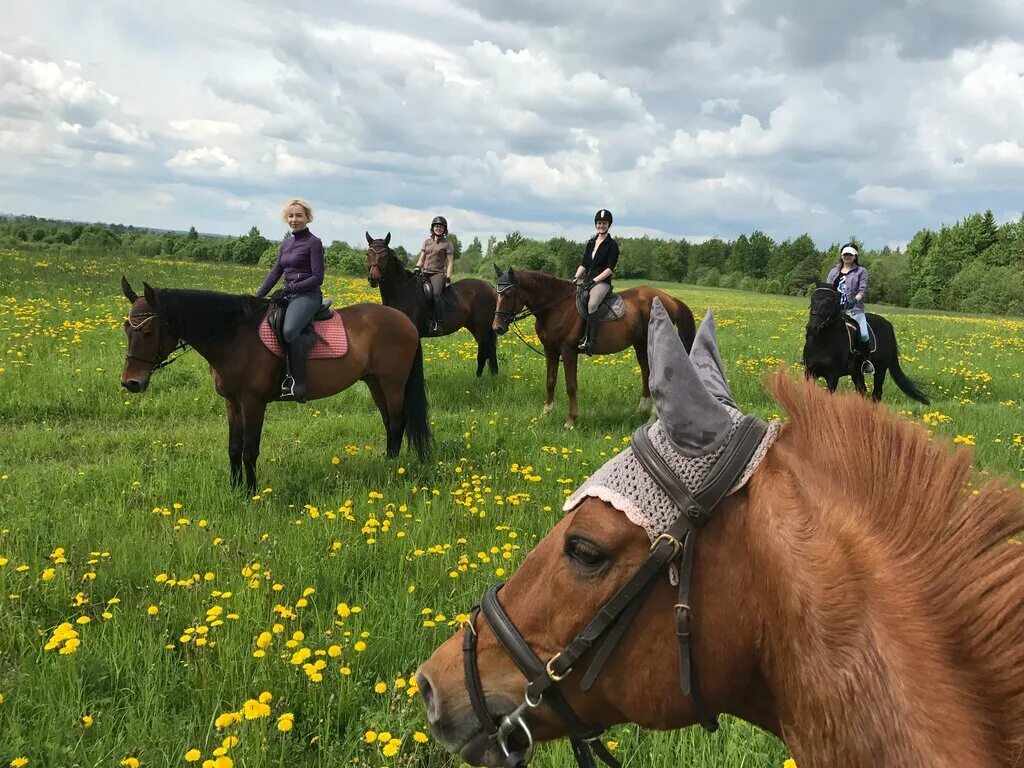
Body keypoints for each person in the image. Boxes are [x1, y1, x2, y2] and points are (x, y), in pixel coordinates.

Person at [254, 198, 325, 401]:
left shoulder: (314, 243)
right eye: (291, 216)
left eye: (299, 215)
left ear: (307, 218)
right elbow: (276, 272)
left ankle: (299, 385)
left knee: (289, 330)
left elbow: (317, 277)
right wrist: (256, 297)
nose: (294, 219)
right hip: (289, 294)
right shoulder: (286, 243)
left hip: (308, 295)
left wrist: (290, 289)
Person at [572, 209, 619, 354]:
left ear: (608, 225)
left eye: (604, 223)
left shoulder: (612, 245)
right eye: (599, 223)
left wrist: (595, 280)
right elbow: (584, 264)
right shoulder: (591, 242)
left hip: (602, 282)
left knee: (592, 304)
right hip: (587, 281)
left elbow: (610, 268)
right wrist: (575, 277)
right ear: (596, 224)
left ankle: (591, 342)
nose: (601, 226)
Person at [826, 242, 874, 375]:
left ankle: (865, 361)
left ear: (855, 256)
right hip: (835, 311)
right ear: (841, 255)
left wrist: (855, 300)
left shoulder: (861, 271)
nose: (847, 256)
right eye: (845, 254)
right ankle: (811, 357)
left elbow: (862, 289)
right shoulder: (834, 271)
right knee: (816, 326)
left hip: (854, 310)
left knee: (864, 335)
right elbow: (829, 289)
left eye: (850, 254)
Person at [414, 215, 454, 334]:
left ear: (444, 229)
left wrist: (448, 277)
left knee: (436, 294)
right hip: (424, 273)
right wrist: (417, 267)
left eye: (441, 227)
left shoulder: (447, 244)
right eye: (436, 226)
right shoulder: (426, 242)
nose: (438, 228)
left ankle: (439, 323)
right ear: (433, 228)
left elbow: (450, 262)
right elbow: (422, 259)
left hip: (437, 274)